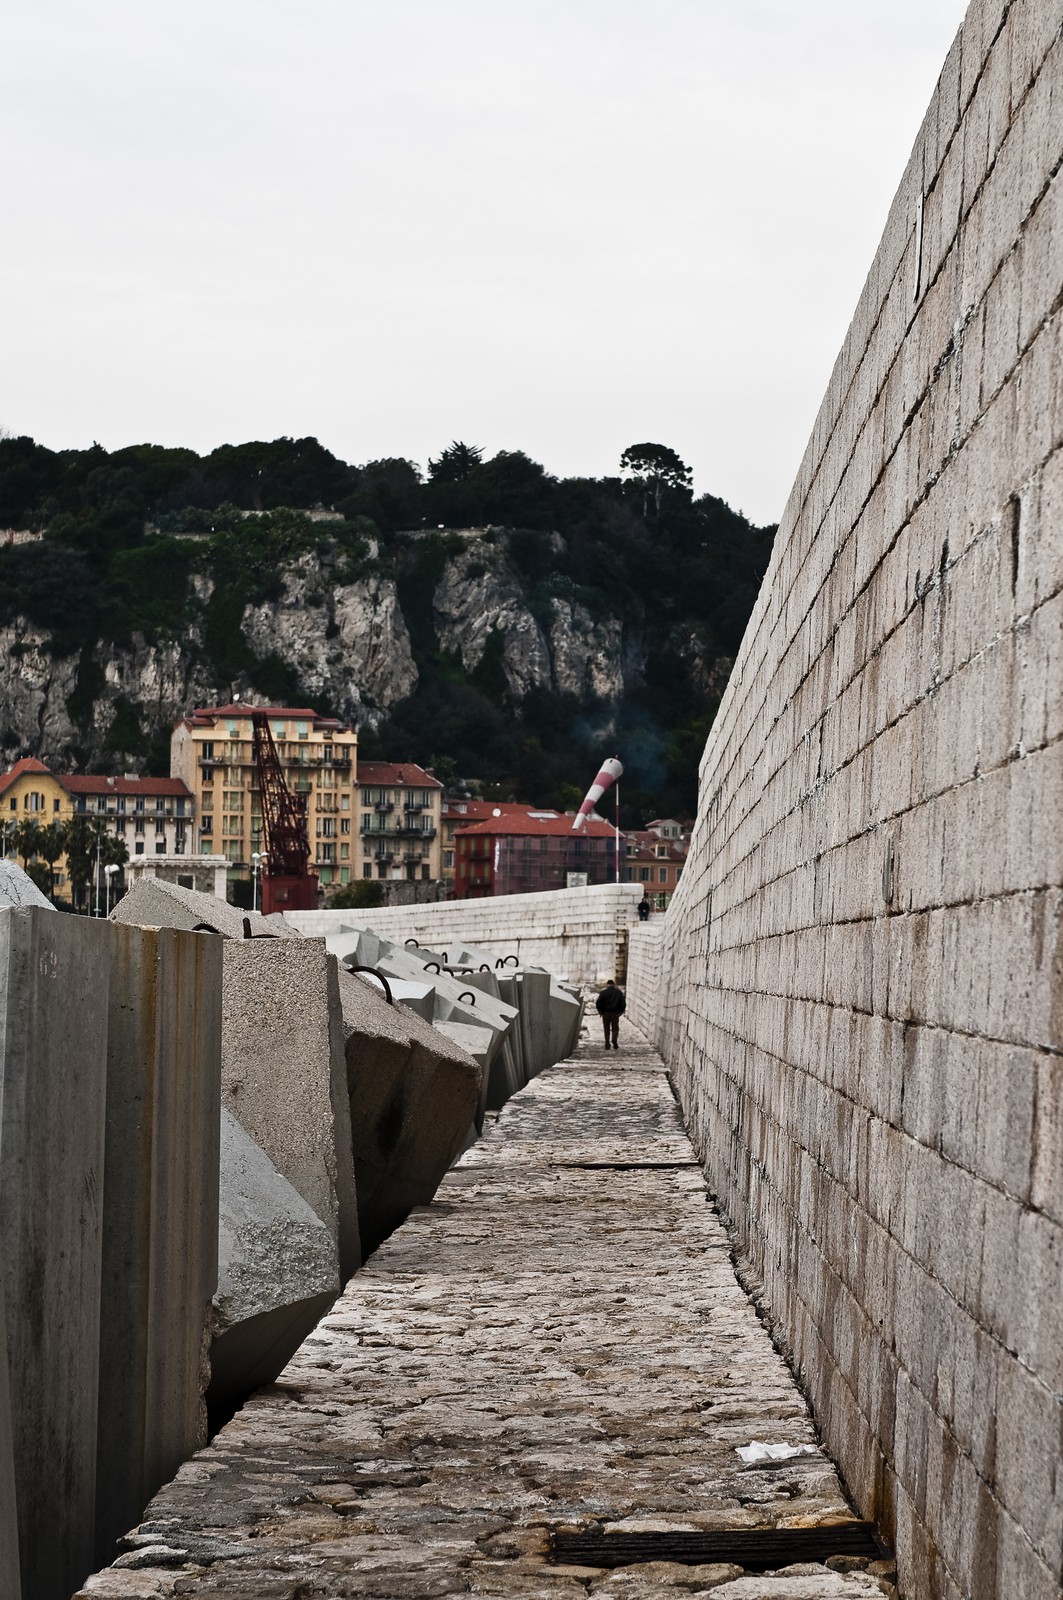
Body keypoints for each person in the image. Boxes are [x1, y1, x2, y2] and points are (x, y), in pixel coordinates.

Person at [595, 979, 626, 1049]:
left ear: (607, 984)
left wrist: (600, 1011)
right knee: (615, 1028)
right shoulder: (618, 992)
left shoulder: (603, 993)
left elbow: (598, 1002)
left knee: (606, 1029)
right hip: (615, 1013)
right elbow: (623, 1003)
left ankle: (607, 1043)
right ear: (613, 984)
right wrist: (621, 1012)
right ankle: (614, 1040)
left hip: (605, 1013)